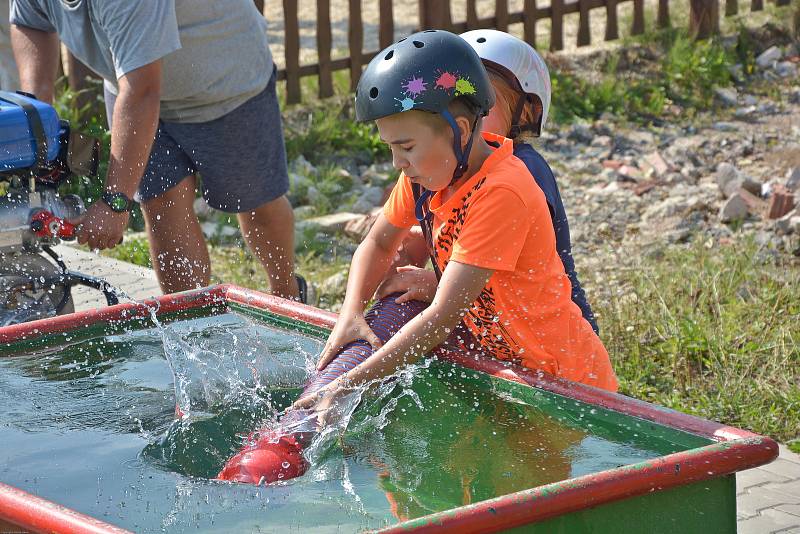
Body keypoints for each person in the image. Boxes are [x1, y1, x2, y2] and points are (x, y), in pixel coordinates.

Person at [217, 29, 616, 485]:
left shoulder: (505, 189)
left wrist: (348, 385)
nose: (396, 163)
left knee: (530, 488)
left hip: (558, 379)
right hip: (496, 351)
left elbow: (443, 316)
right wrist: (349, 313)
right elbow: (378, 243)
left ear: (461, 130)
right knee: (474, 468)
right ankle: (290, 443)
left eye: (405, 147)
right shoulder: (429, 175)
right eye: (390, 147)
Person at [10, 0, 305, 300]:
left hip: (223, 83)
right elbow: (31, 20)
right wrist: (38, 119)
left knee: (256, 205)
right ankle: (191, 325)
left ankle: (288, 293)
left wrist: (115, 200)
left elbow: (143, 93)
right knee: (162, 206)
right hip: (132, 86)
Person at [381, 28, 598, 333]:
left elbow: (501, 269)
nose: (474, 113)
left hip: (544, 335)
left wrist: (435, 283)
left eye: (485, 104)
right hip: (489, 325)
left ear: (522, 112)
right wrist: (410, 244)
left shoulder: (522, 171)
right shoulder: (446, 164)